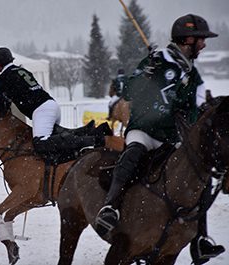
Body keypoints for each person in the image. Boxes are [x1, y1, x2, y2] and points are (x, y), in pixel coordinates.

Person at [93, 14, 223, 264]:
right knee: (132, 154)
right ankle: (110, 208)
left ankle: (200, 238)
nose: (204, 45)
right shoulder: (156, 61)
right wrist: (144, 74)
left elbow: (192, 110)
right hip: (144, 129)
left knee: (200, 175)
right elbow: (128, 91)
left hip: (171, 138)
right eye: (201, 40)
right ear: (188, 39)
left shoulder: (191, 74)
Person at [0, 47, 101, 163]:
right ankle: (84, 133)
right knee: (54, 140)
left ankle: (88, 141)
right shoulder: (22, 71)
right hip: (51, 105)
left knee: (40, 144)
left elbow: (0, 107)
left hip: (42, 111)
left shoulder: (3, 77)